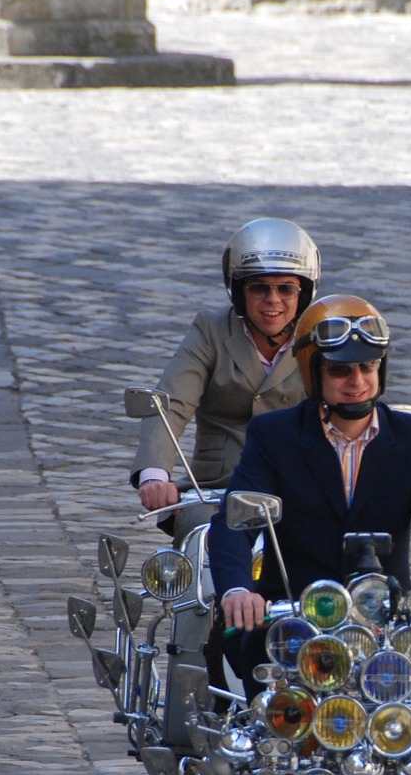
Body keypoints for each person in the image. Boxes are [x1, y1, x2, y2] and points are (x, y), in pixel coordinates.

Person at [211, 294, 411, 658]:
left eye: (368, 367)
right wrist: (238, 591)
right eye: (340, 370)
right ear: (313, 371)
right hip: (293, 621)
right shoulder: (274, 435)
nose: (357, 380)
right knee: (259, 686)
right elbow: (233, 522)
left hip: (387, 624)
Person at [132, 218, 317, 539]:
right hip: (216, 492)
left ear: (304, 293)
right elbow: (171, 403)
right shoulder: (210, 330)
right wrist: (154, 476)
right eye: (259, 287)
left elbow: (347, 405)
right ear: (238, 290)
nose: (273, 300)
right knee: (201, 535)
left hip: (301, 488)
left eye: (286, 288)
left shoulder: (319, 337)